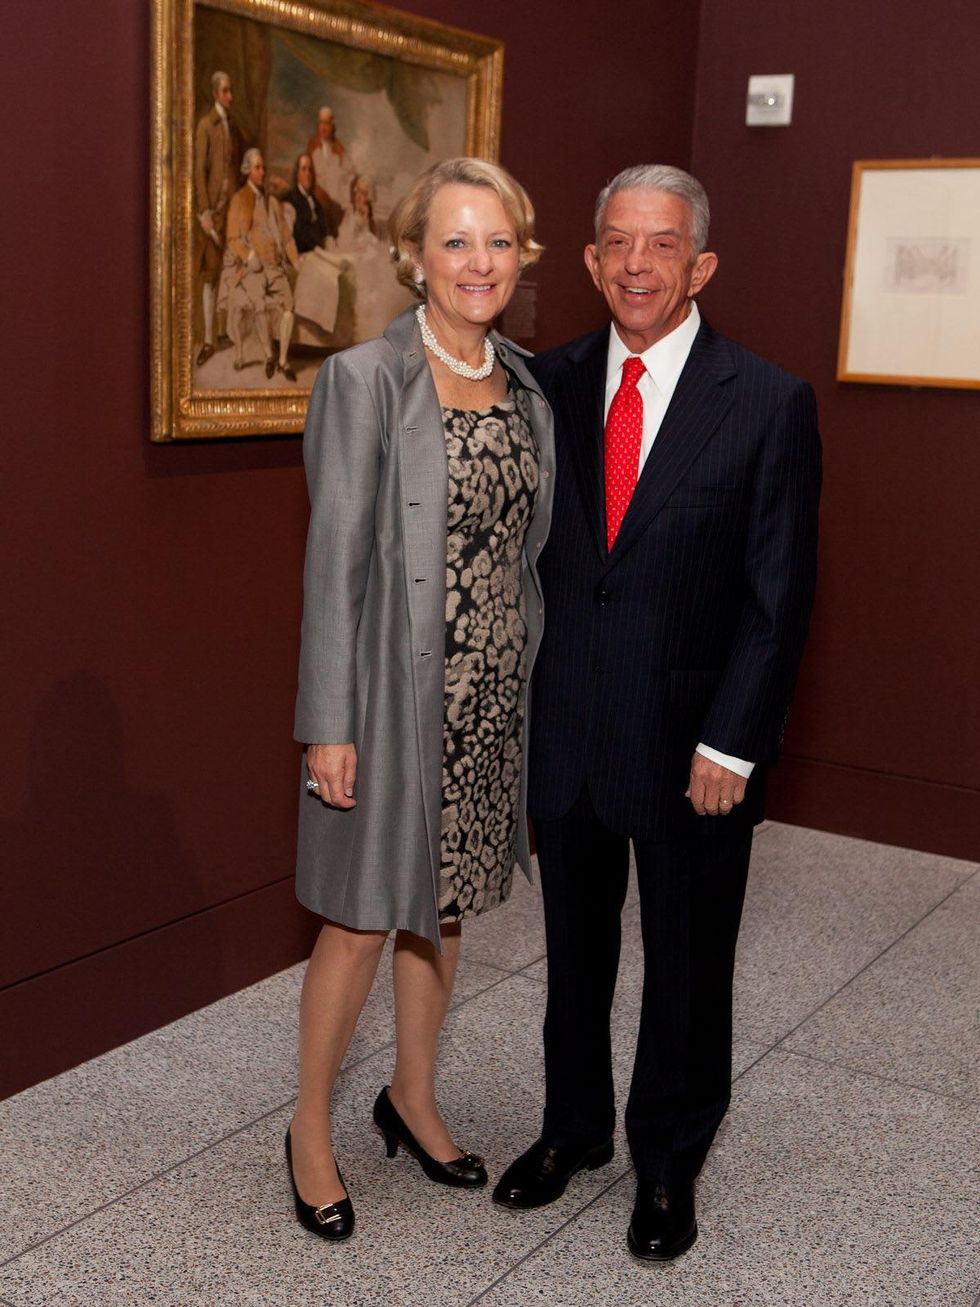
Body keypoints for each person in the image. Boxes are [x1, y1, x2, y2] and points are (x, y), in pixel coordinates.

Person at [493, 165, 822, 1261]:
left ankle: (669, 1159)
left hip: (696, 746)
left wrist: (731, 737)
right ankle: (574, 1128)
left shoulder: (767, 401)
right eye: (616, 243)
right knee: (573, 952)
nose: (638, 263)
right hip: (572, 730)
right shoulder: (543, 381)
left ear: (700, 263)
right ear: (588, 260)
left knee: (686, 959)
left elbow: (778, 597)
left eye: (662, 244)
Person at [288, 157, 554, 1241]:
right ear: (411, 256)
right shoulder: (365, 379)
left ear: (520, 255)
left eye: (496, 241)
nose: (476, 262)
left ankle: (411, 1095)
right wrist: (328, 724)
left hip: (489, 689)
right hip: (392, 695)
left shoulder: (530, 384)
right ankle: (308, 1126)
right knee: (357, 918)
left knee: (439, 909)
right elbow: (333, 563)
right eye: (454, 240)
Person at [223, 148, 300, 380]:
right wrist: (248, 256)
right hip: (253, 268)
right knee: (259, 306)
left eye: (263, 167)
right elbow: (233, 239)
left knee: (289, 307)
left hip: (274, 266)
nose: (262, 172)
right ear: (248, 170)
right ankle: (269, 356)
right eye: (257, 167)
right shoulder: (239, 200)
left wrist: (296, 262)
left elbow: (286, 237)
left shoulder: (272, 203)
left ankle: (283, 360)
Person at [193, 71, 242, 366]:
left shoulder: (232, 126)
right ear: (215, 94)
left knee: (229, 268)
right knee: (210, 273)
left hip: (231, 210)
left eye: (231, 90)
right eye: (225, 91)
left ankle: (225, 332)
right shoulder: (205, 126)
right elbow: (199, 172)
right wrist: (204, 212)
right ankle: (209, 340)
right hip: (211, 212)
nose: (230, 96)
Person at [306, 105, 354, 233]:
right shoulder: (312, 146)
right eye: (321, 123)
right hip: (317, 200)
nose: (323, 127)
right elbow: (307, 175)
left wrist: (345, 201)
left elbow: (350, 175)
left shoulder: (339, 149)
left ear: (332, 125)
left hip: (336, 204)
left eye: (326, 123)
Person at [285, 153, 331, 254]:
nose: (308, 174)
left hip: (319, 252)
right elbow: (298, 235)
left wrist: (327, 239)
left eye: (310, 170)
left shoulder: (315, 201)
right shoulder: (290, 199)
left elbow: (323, 229)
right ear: (297, 174)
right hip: (302, 255)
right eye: (304, 169)